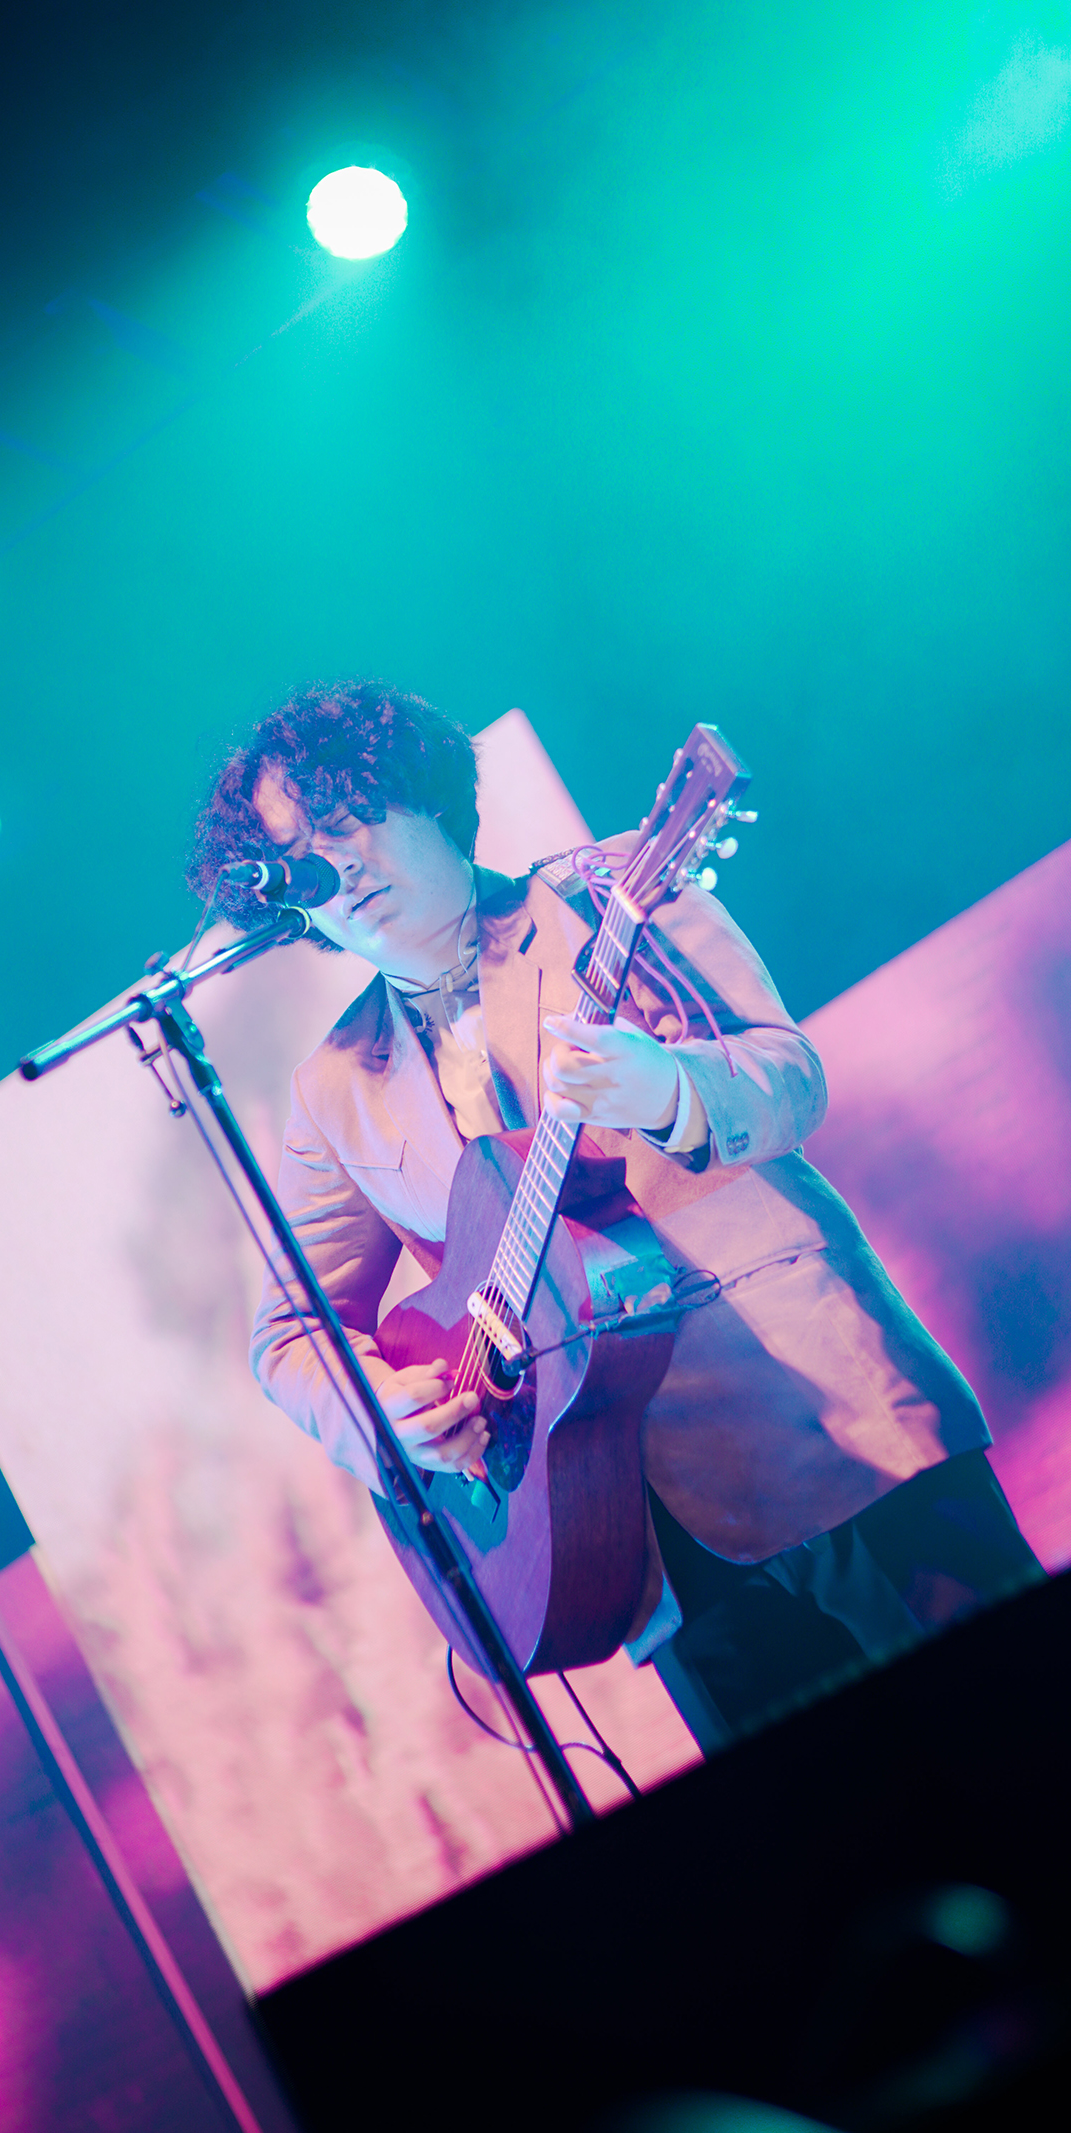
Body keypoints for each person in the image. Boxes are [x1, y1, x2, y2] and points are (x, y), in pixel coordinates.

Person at [189, 680, 1043, 1754]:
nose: (337, 867)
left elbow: (789, 1076)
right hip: (622, 1531)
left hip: (827, 1423)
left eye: (350, 818)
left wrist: (672, 1090)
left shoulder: (610, 893)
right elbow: (290, 1332)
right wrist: (382, 1424)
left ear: (428, 797)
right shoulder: (334, 1088)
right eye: (299, 856)